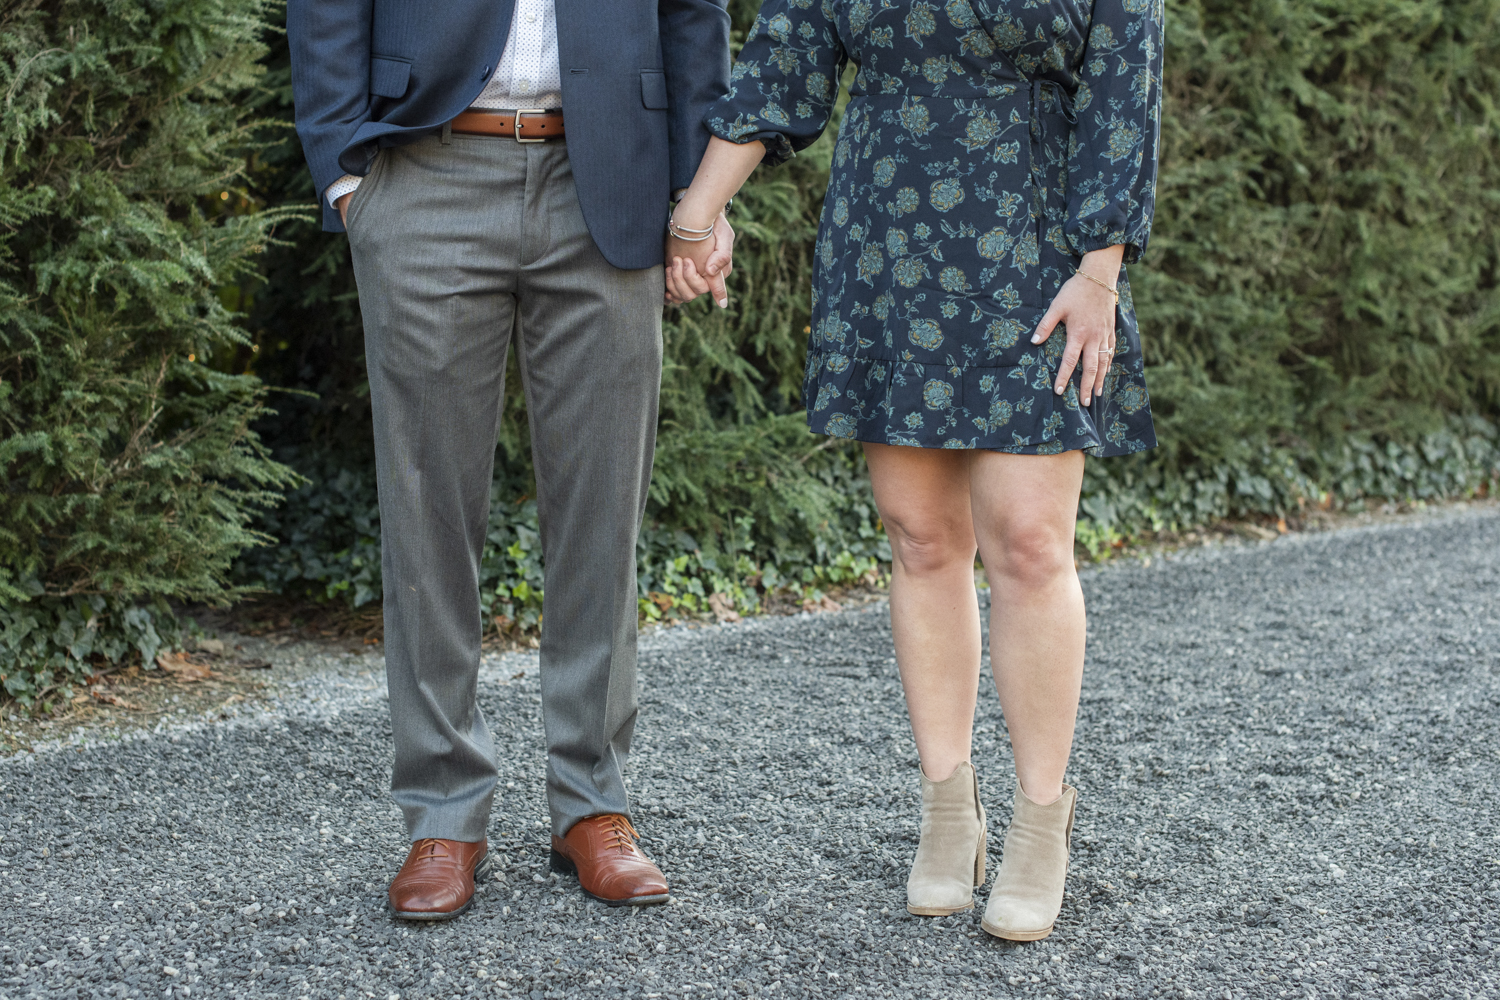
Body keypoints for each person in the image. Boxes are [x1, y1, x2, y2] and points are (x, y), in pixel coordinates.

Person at [667, 0, 1163, 941]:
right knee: (922, 537)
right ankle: (947, 810)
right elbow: (787, 62)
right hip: (886, 242)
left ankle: (1039, 822)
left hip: (1039, 251)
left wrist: (1101, 271)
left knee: (1027, 541)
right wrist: (698, 213)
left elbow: (1122, 89)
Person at [287, 0, 734, 920]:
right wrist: (343, 174)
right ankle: (444, 811)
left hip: (611, 180)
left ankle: (593, 802)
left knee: (603, 510)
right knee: (428, 510)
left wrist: (701, 196)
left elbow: (694, 16)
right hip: (425, 172)